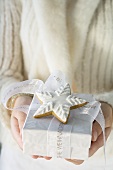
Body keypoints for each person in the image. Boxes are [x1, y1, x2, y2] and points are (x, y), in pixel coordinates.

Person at [0, 0, 113, 170]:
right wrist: (18, 99)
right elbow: (5, 73)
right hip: (23, 157)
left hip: (103, 156)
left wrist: (109, 107)